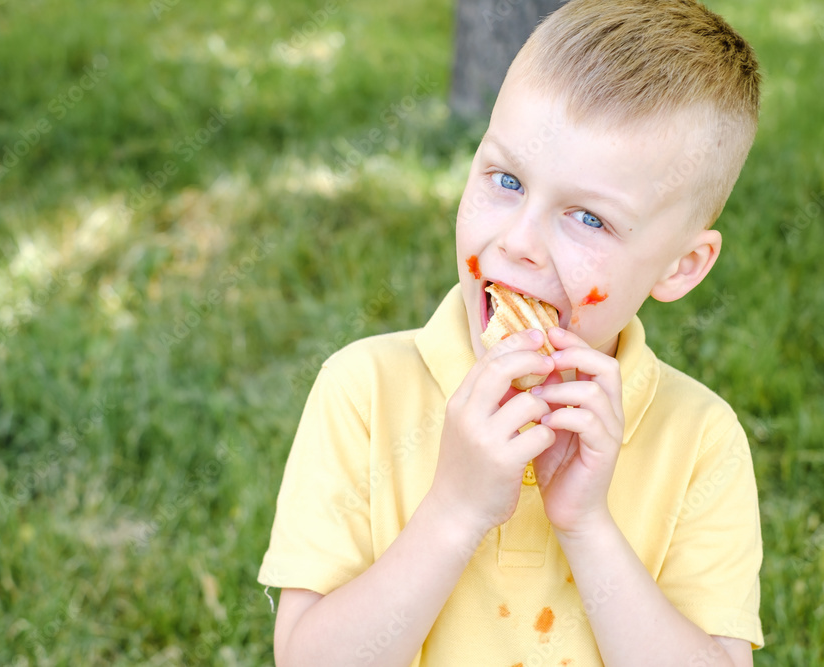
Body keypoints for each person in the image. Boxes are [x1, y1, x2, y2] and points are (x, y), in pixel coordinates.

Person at [260, 0, 764, 664]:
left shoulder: (700, 439)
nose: (519, 241)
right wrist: (455, 510)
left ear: (680, 265)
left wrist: (586, 526)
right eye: (506, 179)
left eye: (589, 218)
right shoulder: (364, 392)